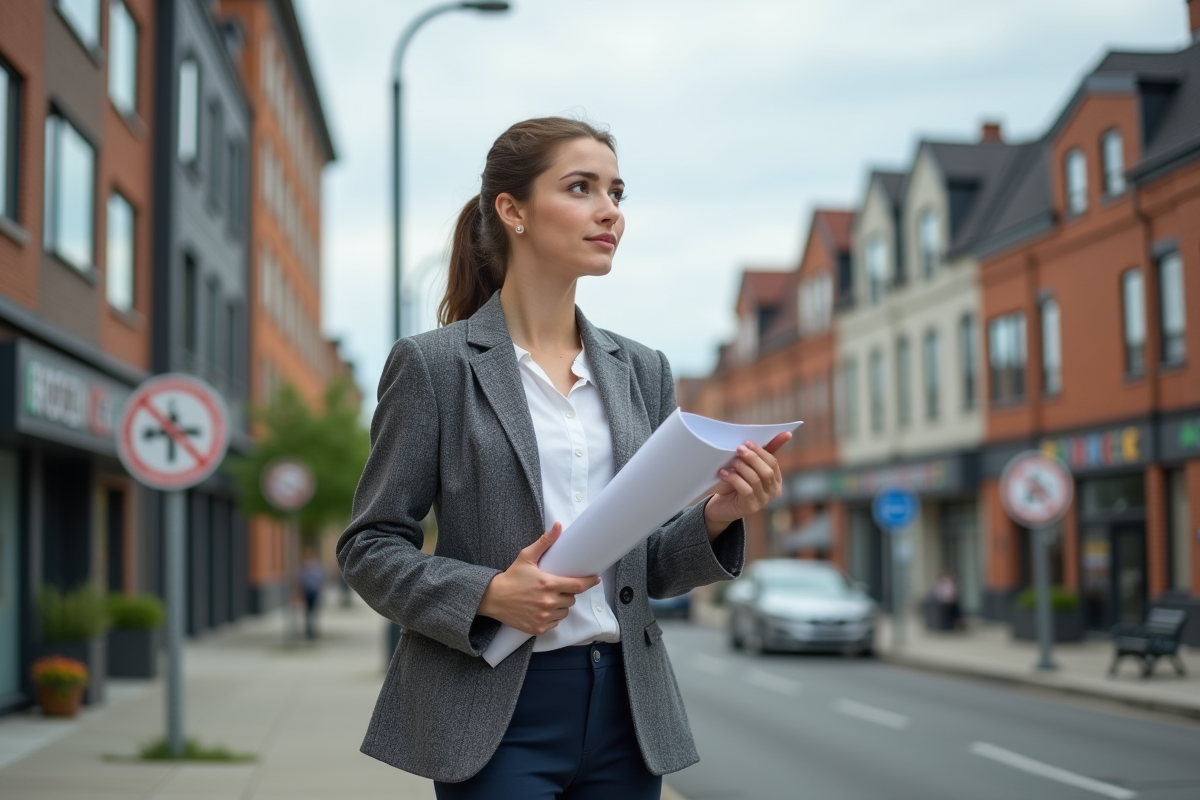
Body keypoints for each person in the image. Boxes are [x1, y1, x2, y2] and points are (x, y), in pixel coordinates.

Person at [337, 117, 790, 799]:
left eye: (617, 192)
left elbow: (649, 567)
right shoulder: (435, 367)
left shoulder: (641, 369)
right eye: (582, 188)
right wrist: (489, 595)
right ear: (512, 210)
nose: (609, 210)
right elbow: (370, 546)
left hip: (626, 709)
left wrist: (718, 517)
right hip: (494, 707)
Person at [299, 548, 325, 640]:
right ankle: (308, 631)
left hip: (314, 592)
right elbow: (300, 580)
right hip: (307, 592)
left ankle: (313, 630)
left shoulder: (316, 567)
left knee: (314, 612)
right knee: (307, 613)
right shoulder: (304, 567)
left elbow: (321, 579)